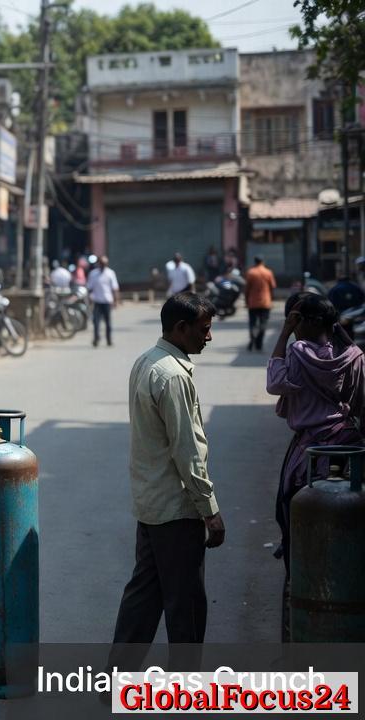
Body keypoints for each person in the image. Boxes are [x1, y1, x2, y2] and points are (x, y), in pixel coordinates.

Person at [113, 293, 225, 650]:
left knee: (143, 599)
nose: (208, 338)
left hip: (151, 505)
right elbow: (187, 452)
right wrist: (210, 511)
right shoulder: (173, 376)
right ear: (181, 328)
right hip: (176, 510)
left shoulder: (147, 361)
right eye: (204, 330)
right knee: (186, 607)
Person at [267, 294, 365, 641]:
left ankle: (298, 578)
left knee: (288, 511)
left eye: (295, 320)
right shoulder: (353, 355)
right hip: (348, 443)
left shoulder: (297, 353)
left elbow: (275, 382)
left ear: (305, 322)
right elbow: (359, 402)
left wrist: (283, 333)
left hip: (311, 448)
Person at [244, 256, 278, 352]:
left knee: (252, 323)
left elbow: (247, 289)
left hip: (253, 302)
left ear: (255, 262)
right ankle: (259, 343)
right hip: (265, 302)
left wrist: (246, 301)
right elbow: (272, 287)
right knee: (263, 323)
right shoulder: (268, 272)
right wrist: (272, 299)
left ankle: (252, 339)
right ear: (263, 262)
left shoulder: (251, 272)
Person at [87, 255, 120, 348]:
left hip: (107, 301)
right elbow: (89, 288)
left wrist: (116, 301)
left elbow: (115, 288)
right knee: (96, 322)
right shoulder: (93, 274)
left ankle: (109, 340)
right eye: (101, 263)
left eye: (104, 263)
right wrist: (89, 299)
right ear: (98, 263)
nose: (103, 265)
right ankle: (96, 339)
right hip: (97, 301)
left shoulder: (110, 273)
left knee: (108, 322)